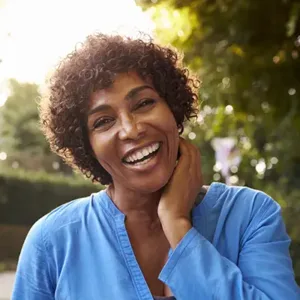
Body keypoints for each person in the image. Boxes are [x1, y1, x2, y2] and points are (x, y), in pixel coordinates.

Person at [12, 33, 299, 300]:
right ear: (87, 147)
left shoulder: (250, 215)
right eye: (103, 121)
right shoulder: (52, 241)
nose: (131, 129)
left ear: (173, 109)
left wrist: (176, 224)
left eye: (144, 103)